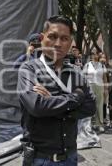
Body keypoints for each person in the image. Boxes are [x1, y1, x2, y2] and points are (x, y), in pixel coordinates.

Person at [17, 15, 96, 166]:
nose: (58, 44)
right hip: (40, 159)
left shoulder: (76, 73)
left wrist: (52, 101)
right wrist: (76, 98)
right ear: (42, 38)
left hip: (71, 157)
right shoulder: (28, 69)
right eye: (52, 37)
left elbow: (91, 107)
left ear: (70, 42)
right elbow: (36, 106)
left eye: (64, 38)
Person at [83, 52, 106, 132]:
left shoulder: (102, 65)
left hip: (100, 86)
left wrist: (105, 89)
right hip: (90, 86)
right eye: (93, 54)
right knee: (89, 105)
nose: (95, 56)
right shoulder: (87, 65)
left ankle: (99, 124)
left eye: (96, 54)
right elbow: (84, 77)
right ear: (91, 56)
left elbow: (104, 78)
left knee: (99, 105)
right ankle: (89, 124)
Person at [99, 53, 112, 129]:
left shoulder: (110, 68)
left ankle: (111, 121)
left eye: (104, 58)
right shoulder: (98, 68)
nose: (103, 59)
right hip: (102, 89)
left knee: (110, 104)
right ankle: (104, 120)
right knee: (103, 105)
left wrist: (107, 90)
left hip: (110, 89)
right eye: (101, 58)